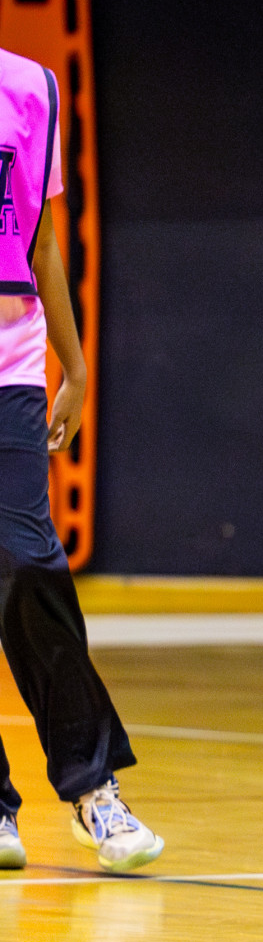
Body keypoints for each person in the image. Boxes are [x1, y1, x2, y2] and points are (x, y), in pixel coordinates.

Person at [0, 46, 164, 874]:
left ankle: (93, 789)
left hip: (11, 361)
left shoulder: (33, 88)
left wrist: (77, 361)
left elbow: (42, 238)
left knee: (28, 565)